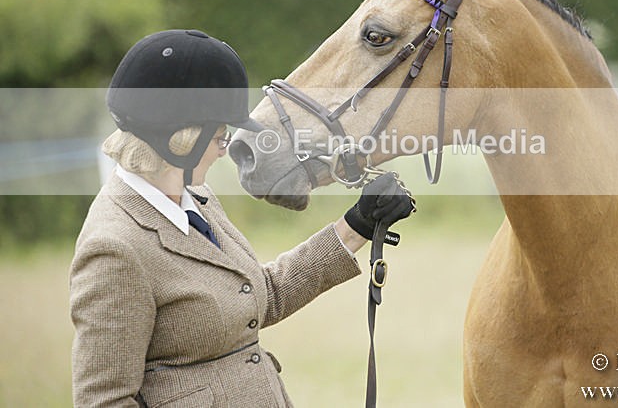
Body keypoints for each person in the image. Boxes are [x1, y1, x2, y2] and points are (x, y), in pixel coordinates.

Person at [69, 29, 414, 407]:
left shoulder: (194, 198)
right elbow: (103, 401)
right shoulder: (113, 248)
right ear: (178, 139)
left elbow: (257, 295)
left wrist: (357, 224)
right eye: (219, 137)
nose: (223, 151)